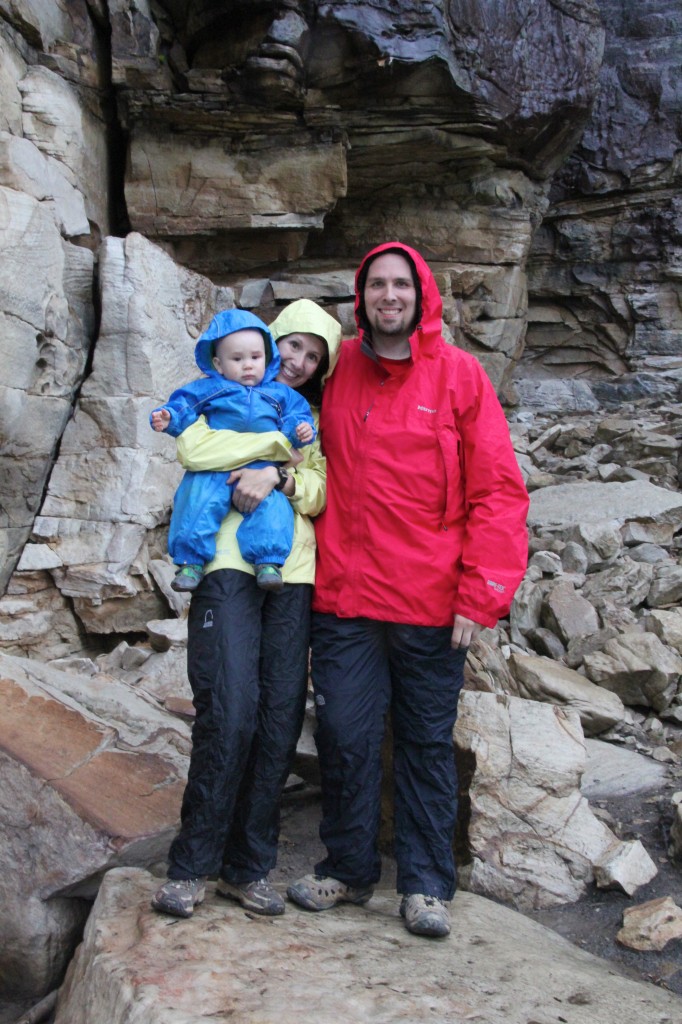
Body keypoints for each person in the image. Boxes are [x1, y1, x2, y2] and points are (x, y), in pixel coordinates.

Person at [286, 243, 529, 938]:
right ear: (359, 299)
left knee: (424, 742)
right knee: (344, 734)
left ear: (423, 296)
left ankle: (425, 884)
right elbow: (266, 405)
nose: (389, 295)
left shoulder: (460, 377)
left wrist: (482, 594)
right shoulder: (337, 376)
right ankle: (348, 869)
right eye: (376, 285)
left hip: (431, 601)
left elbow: (498, 491)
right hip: (346, 596)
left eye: (401, 284)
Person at [151, 299, 342, 919]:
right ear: (265, 340)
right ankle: (191, 865)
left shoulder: (304, 418)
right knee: (229, 713)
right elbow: (195, 452)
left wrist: (282, 475)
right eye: (291, 346)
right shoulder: (214, 395)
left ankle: (247, 866)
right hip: (224, 568)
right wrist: (268, 450)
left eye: (313, 357)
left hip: (293, 572)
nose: (297, 361)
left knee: (278, 722)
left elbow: (317, 493)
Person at [150, 309, 316, 593]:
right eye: (237, 359)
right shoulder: (212, 388)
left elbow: (296, 415)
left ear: (267, 356)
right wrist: (170, 417)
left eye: (255, 357)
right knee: (196, 501)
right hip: (214, 470)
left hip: (261, 466)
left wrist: (299, 430)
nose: (248, 366)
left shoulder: (278, 394)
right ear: (219, 363)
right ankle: (190, 560)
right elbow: (185, 404)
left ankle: (267, 561)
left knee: (273, 508)